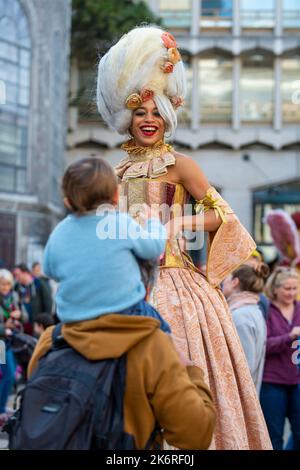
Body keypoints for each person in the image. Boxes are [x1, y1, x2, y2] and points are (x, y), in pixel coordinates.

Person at [97, 25, 272, 450]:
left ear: (168, 115)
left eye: (156, 112)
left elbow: (222, 217)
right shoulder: (113, 173)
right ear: (128, 117)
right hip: (125, 287)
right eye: (141, 112)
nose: (149, 120)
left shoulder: (182, 165)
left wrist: (175, 225)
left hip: (178, 285)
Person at [28, 156, 216, 450]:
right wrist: (186, 367)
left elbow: (50, 267)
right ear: (117, 196)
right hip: (129, 315)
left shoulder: (49, 343)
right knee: (160, 328)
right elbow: (196, 435)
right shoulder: (153, 349)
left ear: (66, 200)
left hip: (72, 321)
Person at [260, 267, 300, 450]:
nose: (292, 293)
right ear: (275, 288)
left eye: (295, 288)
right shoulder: (267, 310)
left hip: (297, 381)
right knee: (274, 437)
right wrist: (289, 336)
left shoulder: (299, 309)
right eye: (287, 288)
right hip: (272, 382)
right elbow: (263, 346)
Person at [222, 264, 269, 393]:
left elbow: (245, 365)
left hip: (238, 393)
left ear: (235, 282)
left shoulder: (241, 315)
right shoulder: (251, 310)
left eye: (225, 279)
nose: (222, 283)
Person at [0, 269, 27, 426]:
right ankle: (1, 409)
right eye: (3, 284)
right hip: (1, 342)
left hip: (13, 340)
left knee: (9, 376)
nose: (5, 287)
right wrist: (5, 327)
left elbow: (26, 316)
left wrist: (20, 316)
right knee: (9, 374)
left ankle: (2, 408)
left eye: (8, 284)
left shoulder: (13, 297)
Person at [13, 264, 53, 334]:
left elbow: (48, 303)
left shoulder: (39, 283)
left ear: (25, 273)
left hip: (38, 324)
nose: (16, 278)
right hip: (23, 326)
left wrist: (46, 322)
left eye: (18, 275)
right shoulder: (17, 287)